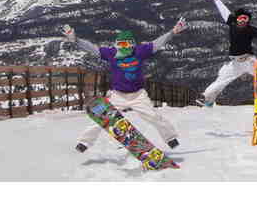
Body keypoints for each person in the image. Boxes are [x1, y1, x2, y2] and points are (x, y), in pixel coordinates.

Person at [62, 17, 188, 153]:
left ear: (132, 44)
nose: (123, 47)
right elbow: (93, 49)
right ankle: (84, 142)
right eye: (120, 44)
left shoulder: (140, 51)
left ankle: (170, 138)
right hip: (118, 95)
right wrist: (76, 40)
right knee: (102, 116)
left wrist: (173, 32)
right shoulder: (112, 53)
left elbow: (157, 43)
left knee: (154, 116)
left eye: (125, 44)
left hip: (138, 95)